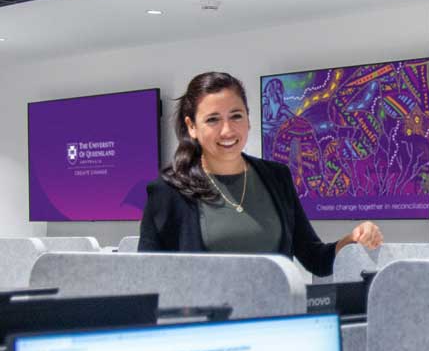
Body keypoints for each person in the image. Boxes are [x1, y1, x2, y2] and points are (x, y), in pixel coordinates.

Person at [138, 72, 382, 277]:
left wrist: (352, 240)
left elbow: (316, 259)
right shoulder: (168, 192)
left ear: (248, 119)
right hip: (206, 331)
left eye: (236, 116)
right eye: (213, 120)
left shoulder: (276, 178)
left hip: (277, 326)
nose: (227, 130)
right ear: (191, 126)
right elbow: (146, 278)